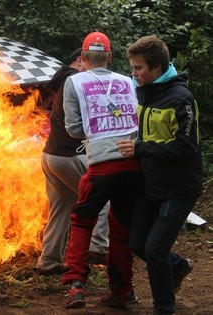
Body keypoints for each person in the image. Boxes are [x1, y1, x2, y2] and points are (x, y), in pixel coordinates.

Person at [118, 35, 203, 315]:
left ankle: (164, 308)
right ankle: (178, 265)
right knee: (138, 243)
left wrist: (141, 148)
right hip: (153, 184)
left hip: (180, 188)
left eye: (138, 68)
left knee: (155, 250)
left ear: (156, 67)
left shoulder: (181, 98)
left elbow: (186, 146)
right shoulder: (143, 90)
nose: (133, 73)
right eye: (132, 68)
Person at [61, 31, 144, 309]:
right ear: (109, 57)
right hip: (133, 165)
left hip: (101, 165)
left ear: (83, 57)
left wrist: (96, 130)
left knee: (82, 220)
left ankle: (75, 286)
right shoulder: (128, 81)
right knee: (120, 229)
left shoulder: (73, 82)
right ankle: (123, 289)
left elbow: (73, 129)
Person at [38, 48, 110, 276]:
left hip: (50, 156)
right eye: (88, 62)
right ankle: (98, 247)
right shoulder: (75, 82)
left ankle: (49, 261)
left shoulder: (61, 81)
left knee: (61, 206)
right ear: (79, 60)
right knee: (103, 197)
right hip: (69, 155)